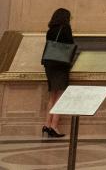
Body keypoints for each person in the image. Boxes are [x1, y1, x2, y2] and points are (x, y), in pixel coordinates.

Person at [41, 8, 73, 139]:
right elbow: (70, 45)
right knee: (60, 96)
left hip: (49, 64)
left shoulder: (50, 30)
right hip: (60, 64)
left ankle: (46, 124)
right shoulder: (65, 29)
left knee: (52, 96)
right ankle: (54, 126)